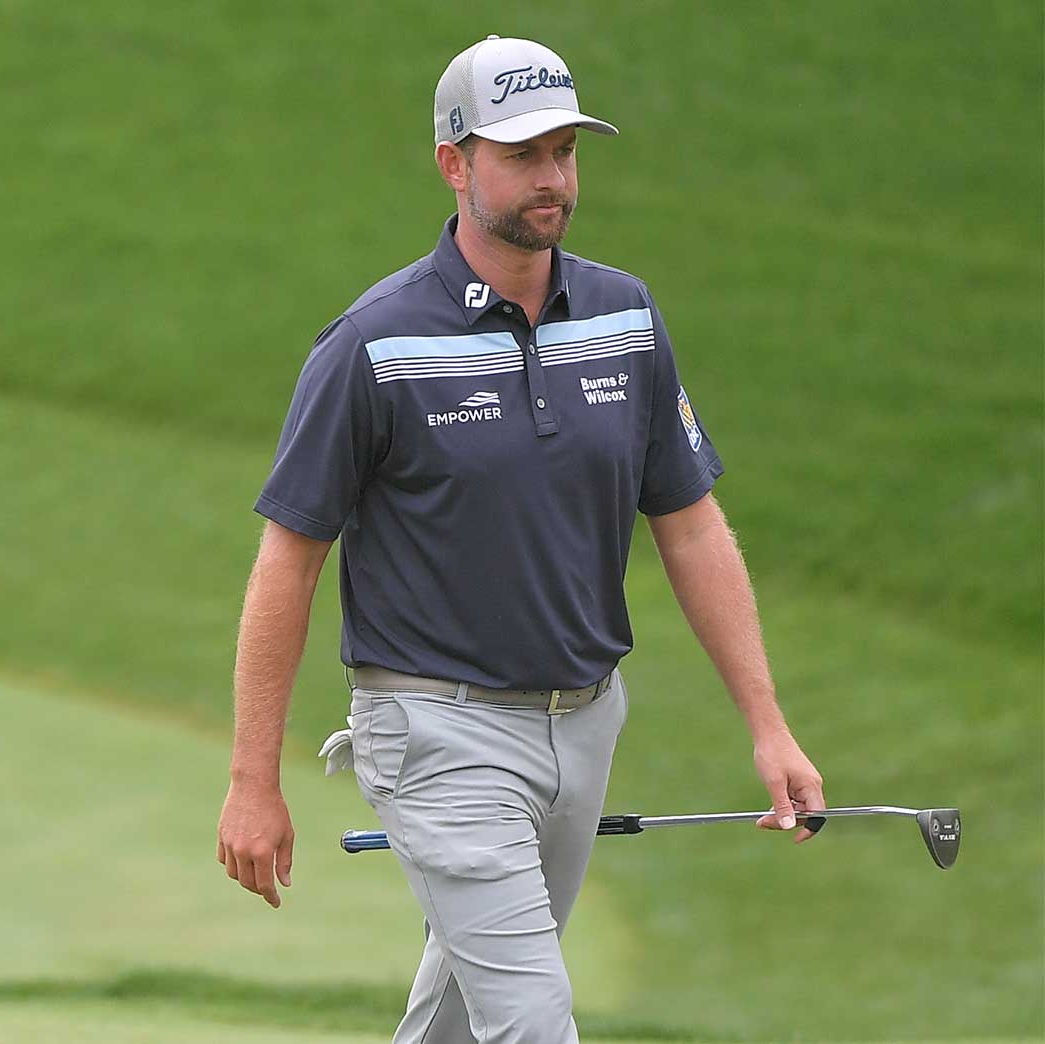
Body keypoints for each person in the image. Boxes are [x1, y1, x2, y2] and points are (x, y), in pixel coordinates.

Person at [215, 36, 826, 1043]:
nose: (551, 179)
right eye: (522, 155)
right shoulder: (373, 343)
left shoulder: (625, 319)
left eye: (563, 152)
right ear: (454, 164)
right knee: (532, 1022)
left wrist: (767, 724)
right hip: (436, 731)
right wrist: (251, 781)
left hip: (586, 721)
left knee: (462, 1014)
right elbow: (289, 560)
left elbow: (687, 525)